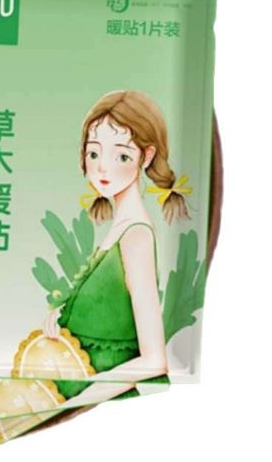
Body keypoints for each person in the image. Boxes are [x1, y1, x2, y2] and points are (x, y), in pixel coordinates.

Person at [40, 89, 191, 406]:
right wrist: (62, 317)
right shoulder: (120, 228)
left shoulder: (136, 236)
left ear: (146, 157)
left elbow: (154, 361)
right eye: (94, 154)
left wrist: (77, 402)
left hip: (101, 399)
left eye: (121, 156)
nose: (103, 168)